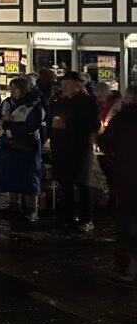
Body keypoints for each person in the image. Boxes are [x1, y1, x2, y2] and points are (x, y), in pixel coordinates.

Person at [49, 71, 101, 232]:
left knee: (82, 183)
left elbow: (93, 125)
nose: (64, 87)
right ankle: (68, 216)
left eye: (67, 84)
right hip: (62, 147)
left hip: (79, 147)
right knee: (65, 183)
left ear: (78, 85)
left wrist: (68, 124)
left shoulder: (88, 102)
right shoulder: (59, 100)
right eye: (62, 84)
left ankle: (86, 218)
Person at [99, 85, 137, 284]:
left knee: (126, 219)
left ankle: (125, 268)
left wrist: (115, 158)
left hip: (127, 176)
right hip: (127, 174)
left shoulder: (123, 118)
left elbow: (105, 142)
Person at [0, 76, 45, 223]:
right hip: (8, 144)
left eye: (14, 88)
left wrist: (10, 125)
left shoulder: (34, 104)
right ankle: (14, 204)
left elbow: (32, 124)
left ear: (23, 89)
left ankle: (32, 208)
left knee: (28, 175)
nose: (11, 91)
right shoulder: (7, 102)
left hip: (26, 144)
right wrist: (1, 121)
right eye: (11, 88)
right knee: (11, 173)